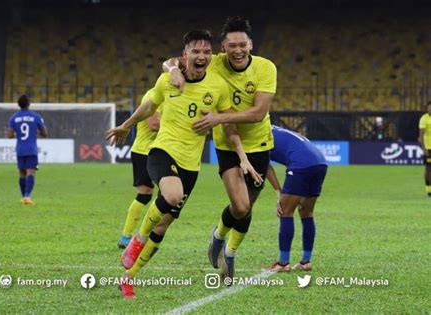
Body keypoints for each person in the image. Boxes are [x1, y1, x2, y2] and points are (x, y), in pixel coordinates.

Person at [106, 30, 261, 300]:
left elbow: (229, 126)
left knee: (163, 226)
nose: (201, 56)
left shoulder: (217, 87)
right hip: (162, 151)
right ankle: (136, 240)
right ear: (185, 54)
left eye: (206, 52)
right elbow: (148, 106)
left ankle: (129, 278)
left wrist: (243, 158)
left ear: (211, 56)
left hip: (192, 165)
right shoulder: (168, 79)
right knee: (172, 194)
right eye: (195, 52)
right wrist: (125, 126)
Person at [163, 16, 277, 281]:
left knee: (246, 208)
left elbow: (259, 113)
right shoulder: (213, 62)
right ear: (223, 48)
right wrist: (173, 71)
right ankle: (218, 236)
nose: (237, 50)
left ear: (251, 44)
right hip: (227, 143)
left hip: (259, 144)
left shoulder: (265, 68)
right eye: (231, 45)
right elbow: (169, 61)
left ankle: (229, 251)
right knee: (239, 205)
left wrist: (219, 117)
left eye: (242, 44)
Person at [265, 126, 327, 272]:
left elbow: (265, 167)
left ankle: (282, 263)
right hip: (320, 162)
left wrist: (279, 192)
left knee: (285, 211)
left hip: (301, 164)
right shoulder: (273, 128)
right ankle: (305, 261)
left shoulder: (257, 135)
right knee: (306, 213)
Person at [117, 88, 161, 249]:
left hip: (161, 150)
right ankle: (126, 236)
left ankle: (149, 232)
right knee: (144, 194)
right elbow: (154, 124)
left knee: (168, 194)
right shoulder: (154, 95)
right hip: (145, 152)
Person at [6, 95, 48, 205]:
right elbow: (45, 133)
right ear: (29, 103)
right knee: (31, 172)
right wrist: (35, 132)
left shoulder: (14, 117)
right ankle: (27, 196)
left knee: (22, 173)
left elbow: (9, 135)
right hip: (31, 149)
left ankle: (23, 197)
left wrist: (18, 133)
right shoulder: (36, 116)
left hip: (20, 149)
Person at [418, 101, 431, 197]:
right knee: (428, 168)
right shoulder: (424, 118)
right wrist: (424, 149)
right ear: (427, 108)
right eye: (429, 107)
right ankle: (428, 188)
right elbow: (421, 136)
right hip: (428, 147)